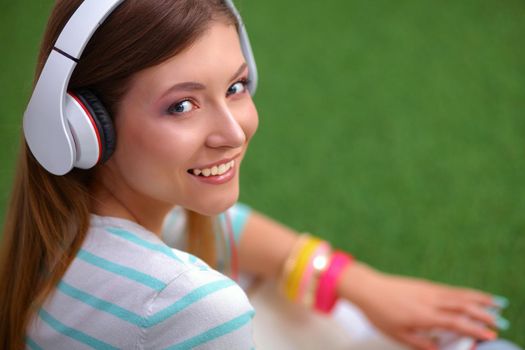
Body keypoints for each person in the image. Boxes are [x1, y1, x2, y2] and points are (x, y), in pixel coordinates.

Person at [0, 0, 517, 349]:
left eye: (236, 86)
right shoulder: (192, 303)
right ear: (86, 127)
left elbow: (224, 228)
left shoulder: (56, 228)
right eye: (181, 105)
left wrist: (357, 283)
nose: (234, 132)